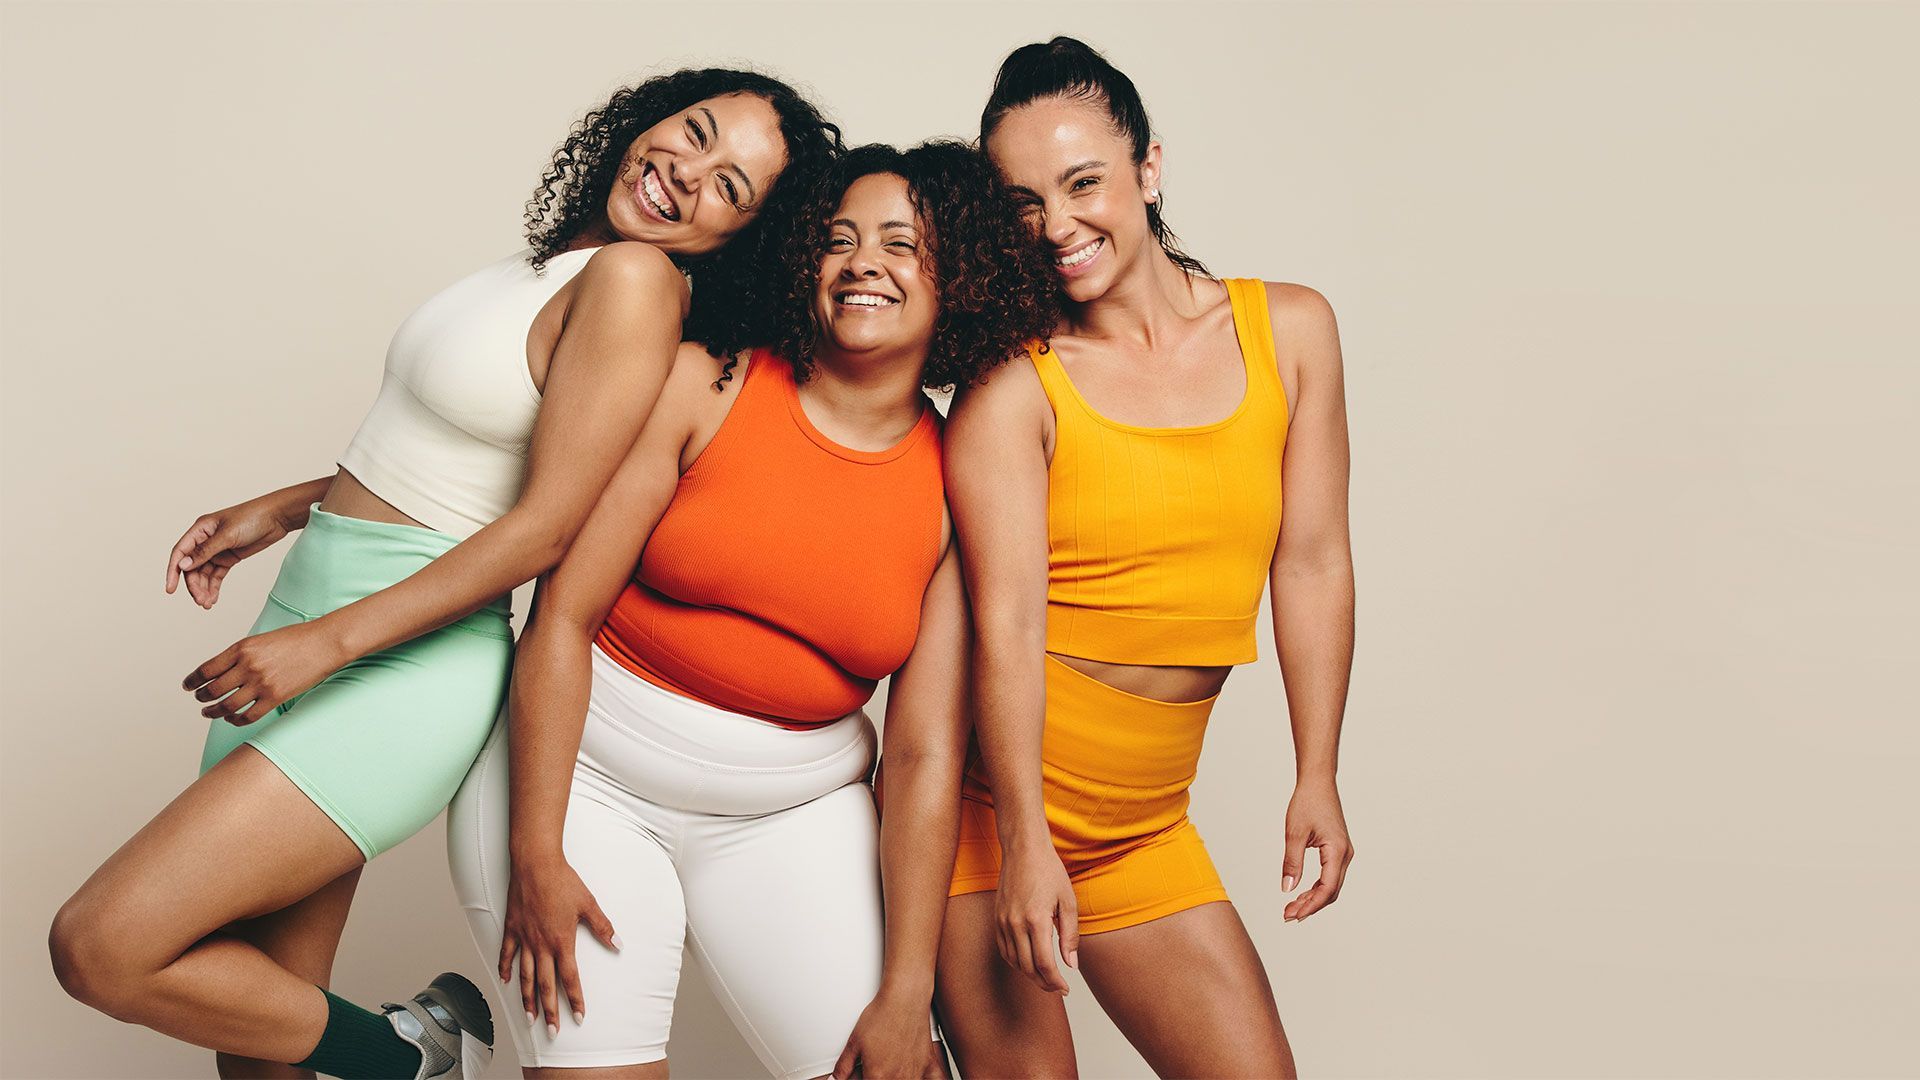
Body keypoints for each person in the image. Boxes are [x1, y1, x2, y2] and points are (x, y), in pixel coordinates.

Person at [49, 68, 840, 1080]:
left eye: (730, 186)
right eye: (693, 133)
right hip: (313, 607)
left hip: (400, 660)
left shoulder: (637, 283)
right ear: (650, 118)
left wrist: (325, 643)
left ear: (742, 238)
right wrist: (287, 508)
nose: (687, 172)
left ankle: (411, 1053)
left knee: (104, 945)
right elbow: (457, 446)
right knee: (255, 1046)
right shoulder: (556, 263)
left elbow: (545, 527)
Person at [448, 141, 1055, 1079]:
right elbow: (560, 616)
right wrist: (535, 852)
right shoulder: (706, 382)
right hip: (585, 788)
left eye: (901, 245)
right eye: (839, 239)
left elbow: (924, 754)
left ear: (962, 282)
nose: (862, 264)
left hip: (792, 814)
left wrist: (906, 993)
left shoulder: (952, 483)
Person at [935, 38, 1358, 1078]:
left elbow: (1311, 563)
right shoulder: (1014, 384)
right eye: (1025, 203)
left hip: (1142, 827)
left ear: (1148, 168)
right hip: (986, 829)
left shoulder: (1291, 330)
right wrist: (1025, 843)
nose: (1058, 225)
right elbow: (1006, 625)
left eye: (1083, 183)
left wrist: (1316, 771)